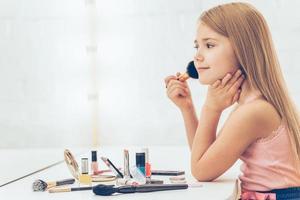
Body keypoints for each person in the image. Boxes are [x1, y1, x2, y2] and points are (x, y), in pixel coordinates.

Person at [164, 2, 300, 199]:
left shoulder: (254, 112)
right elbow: (204, 156)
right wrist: (187, 108)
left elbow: (202, 171)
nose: (197, 56)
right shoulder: (249, 104)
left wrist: (211, 108)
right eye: (197, 46)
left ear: (243, 49)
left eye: (209, 45)